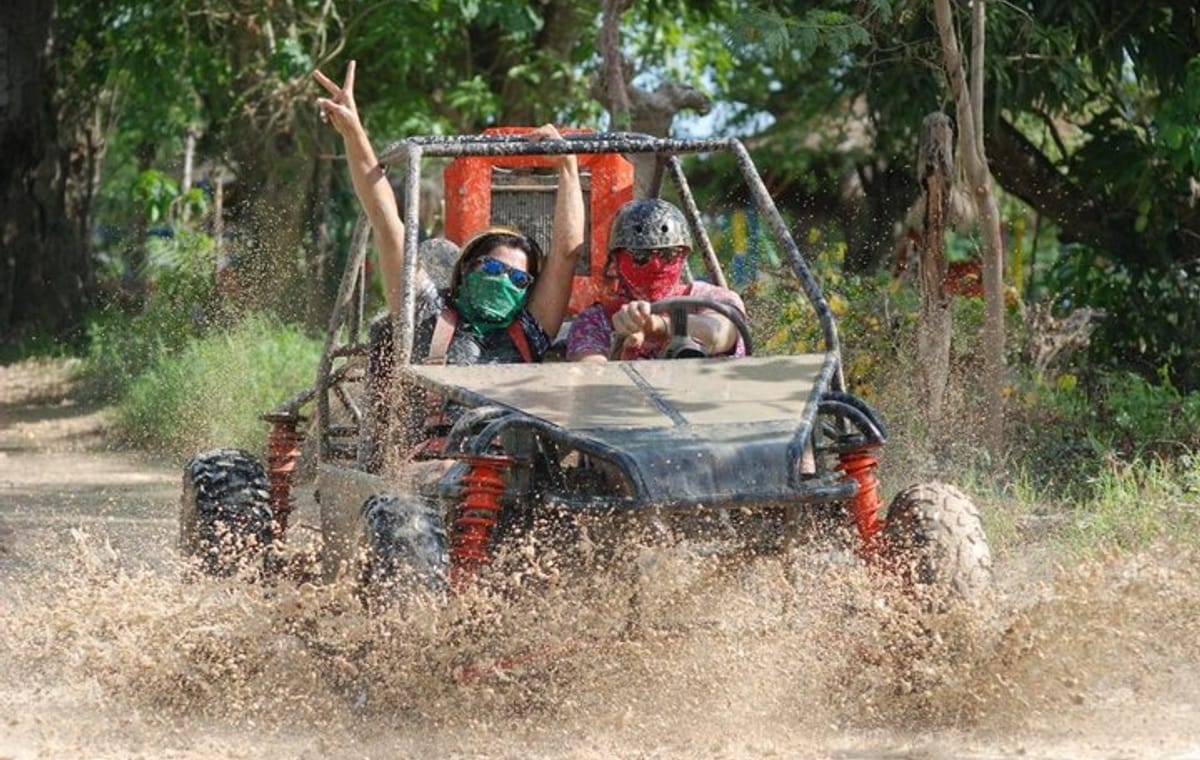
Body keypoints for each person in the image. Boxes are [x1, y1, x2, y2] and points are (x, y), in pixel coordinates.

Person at [315, 61, 584, 467]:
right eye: (493, 270)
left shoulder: (528, 331)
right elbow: (385, 216)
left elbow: (566, 253)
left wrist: (567, 166)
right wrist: (354, 131)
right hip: (429, 471)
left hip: (509, 475)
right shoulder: (427, 312)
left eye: (516, 278)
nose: (503, 283)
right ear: (468, 269)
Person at [566, 198, 746, 362]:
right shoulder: (595, 322)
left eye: (668, 254)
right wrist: (621, 353)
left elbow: (720, 332)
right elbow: (590, 377)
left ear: (683, 255)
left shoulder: (714, 299)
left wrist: (659, 326)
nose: (656, 264)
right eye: (640, 256)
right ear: (615, 261)